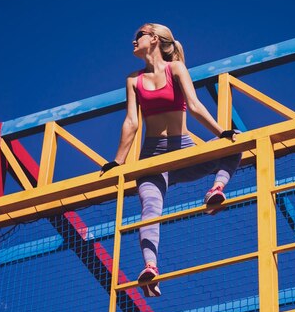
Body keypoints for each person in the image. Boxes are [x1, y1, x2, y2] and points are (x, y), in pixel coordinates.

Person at [100, 23, 241, 297]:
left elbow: (195, 104)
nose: (133, 40)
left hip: (183, 150)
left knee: (235, 143)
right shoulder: (133, 80)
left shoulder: (175, 68)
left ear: (153, 39)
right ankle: (150, 268)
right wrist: (117, 162)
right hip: (151, 159)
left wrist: (221, 132)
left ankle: (217, 190)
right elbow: (131, 122)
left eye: (138, 35)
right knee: (150, 209)